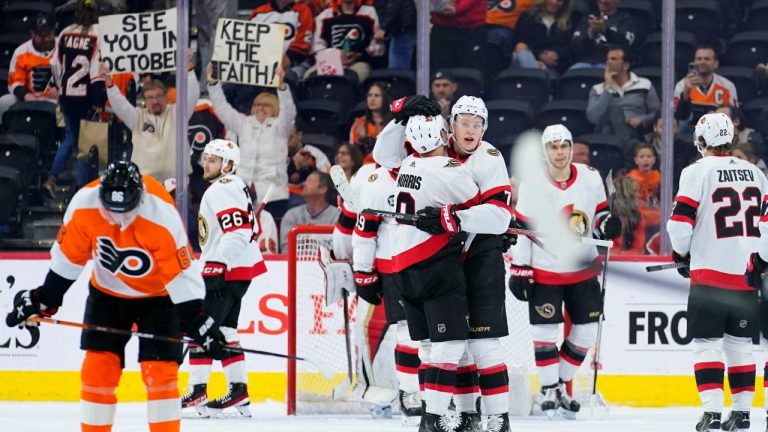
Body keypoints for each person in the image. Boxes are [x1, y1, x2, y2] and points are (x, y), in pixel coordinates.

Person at [5, 160, 226, 432]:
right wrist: (44, 298)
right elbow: (67, 261)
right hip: (107, 296)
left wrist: (197, 321)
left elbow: (180, 277)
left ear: (140, 198)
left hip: (159, 298)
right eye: (112, 209)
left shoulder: (161, 215)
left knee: (161, 373)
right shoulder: (84, 206)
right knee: (98, 370)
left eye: (127, 210)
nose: (119, 219)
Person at [373, 95, 514, 430]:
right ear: (451, 125)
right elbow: (383, 156)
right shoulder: (435, 148)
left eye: (477, 124)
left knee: (482, 343)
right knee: (453, 343)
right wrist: (399, 118)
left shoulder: (490, 158)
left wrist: (451, 218)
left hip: (481, 256)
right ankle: (467, 414)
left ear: (485, 127)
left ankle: (498, 419)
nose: (471, 129)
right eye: (464, 121)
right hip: (445, 258)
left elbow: (499, 216)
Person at [508, 124, 621, 418]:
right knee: (544, 332)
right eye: (553, 147)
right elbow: (523, 228)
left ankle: (556, 384)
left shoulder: (591, 177)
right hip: (544, 269)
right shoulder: (534, 183)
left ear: (572, 148)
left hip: (582, 269)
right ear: (545, 151)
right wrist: (520, 267)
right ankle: (548, 390)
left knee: (585, 333)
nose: (559, 152)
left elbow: (599, 217)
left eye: (564, 146)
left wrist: (607, 223)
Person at [670, 112, 767, 431]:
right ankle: (741, 413)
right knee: (740, 346)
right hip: (747, 276)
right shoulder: (757, 173)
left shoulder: (696, 171)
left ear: (700, 141)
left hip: (709, 275)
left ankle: (711, 411)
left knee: (707, 344)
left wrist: (681, 254)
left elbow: (679, 225)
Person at [387, 114, 480, 432]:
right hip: (435, 262)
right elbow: (478, 207)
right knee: (452, 343)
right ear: (440, 135)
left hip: (403, 264)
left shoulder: (408, 165)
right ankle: (434, 418)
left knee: (427, 344)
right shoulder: (449, 172)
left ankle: (434, 409)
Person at [181, 139, 267, 417]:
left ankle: (197, 391)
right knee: (226, 330)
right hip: (238, 268)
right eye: (206, 158)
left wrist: (217, 264)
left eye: (214, 160)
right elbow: (248, 228)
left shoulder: (223, 188)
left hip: (226, 270)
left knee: (201, 327)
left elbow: (238, 231)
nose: (206, 164)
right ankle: (239, 392)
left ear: (228, 165)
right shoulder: (233, 185)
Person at [351, 163, 423, 425]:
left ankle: (427, 393)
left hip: (429, 265)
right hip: (389, 270)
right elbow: (360, 228)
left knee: (431, 336)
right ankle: (401, 394)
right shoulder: (374, 179)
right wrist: (362, 269)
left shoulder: (436, 168)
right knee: (395, 332)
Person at [206, 62, 295, 223]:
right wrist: (213, 84)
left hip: (274, 195)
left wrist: (281, 87)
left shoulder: (280, 126)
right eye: (257, 104)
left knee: (269, 241)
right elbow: (222, 108)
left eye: (265, 104)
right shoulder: (244, 123)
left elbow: (289, 111)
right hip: (243, 194)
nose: (260, 107)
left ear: (275, 107)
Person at [103, 53, 198, 185]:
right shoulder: (137, 117)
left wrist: (189, 71)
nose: (155, 101)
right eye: (150, 97)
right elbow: (120, 105)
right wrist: (110, 84)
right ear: (144, 100)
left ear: (166, 96)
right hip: (145, 182)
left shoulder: (179, 113)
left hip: (177, 182)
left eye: (159, 96)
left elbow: (192, 94)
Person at [46, 0, 107, 193]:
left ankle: (52, 178)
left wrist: (58, 86)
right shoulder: (98, 35)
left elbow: (55, 64)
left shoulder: (65, 33)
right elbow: (96, 72)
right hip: (86, 98)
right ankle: (81, 187)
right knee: (85, 143)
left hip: (67, 97)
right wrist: (98, 101)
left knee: (71, 138)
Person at [586, 46, 659, 150]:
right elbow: (593, 118)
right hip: (607, 134)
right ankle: (627, 149)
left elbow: (656, 113)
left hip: (636, 132)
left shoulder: (644, 84)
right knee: (614, 111)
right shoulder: (598, 89)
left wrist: (642, 119)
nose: (608, 62)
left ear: (626, 65)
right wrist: (607, 88)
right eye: (607, 59)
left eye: (613, 59)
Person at [307, 0, 384, 83]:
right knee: (308, 76)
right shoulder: (325, 16)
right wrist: (334, 55)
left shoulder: (369, 12)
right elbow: (317, 45)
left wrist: (360, 55)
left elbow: (378, 45)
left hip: (359, 62)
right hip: (329, 61)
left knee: (353, 77)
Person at [0, 14, 57, 125]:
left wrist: (62, 91)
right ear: (33, 34)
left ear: (54, 31)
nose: (45, 39)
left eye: (48, 35)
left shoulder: (63, 47)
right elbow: (14, 82)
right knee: (4, 101)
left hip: (57, 98)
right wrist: (26, 95)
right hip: (29, 96)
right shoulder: (21, 52)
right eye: (41, 36)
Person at [674, 45, 738, 129]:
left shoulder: (727, 86)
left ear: (716, 64)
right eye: (699, 59)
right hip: (688, 134)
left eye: (707, 59)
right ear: (694, 62)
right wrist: (686, 92)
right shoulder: (682, 85)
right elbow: (678, 118)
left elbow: (734, 117)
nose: (702, 62)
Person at [249, 0, 315, 77]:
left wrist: (288, 58)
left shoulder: (303, 11)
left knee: (289, 78)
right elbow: (248, 42)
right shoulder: (258, 13)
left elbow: (302, 45)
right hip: (261, 63)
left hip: (293, 64)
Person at [512, 0, 575, 79]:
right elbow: (519, 42)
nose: (554, 2)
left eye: (559, 1)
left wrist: (556, 55)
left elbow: (571, 48)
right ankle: (537, 76)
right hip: (529, 60)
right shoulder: (528, 17)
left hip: (554, 66)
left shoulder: (569, 21)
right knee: (520, 47)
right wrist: (539, 56)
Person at [279, 170, 339, 252]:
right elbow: (286, 250)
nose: (304, 184)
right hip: (296, 264)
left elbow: (337, 250)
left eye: (309, 181)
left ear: (323, 189)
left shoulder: (337, 216)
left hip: (327, 264)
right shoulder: (292, 215)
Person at [569, 0, 638, 69]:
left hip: (610, 64)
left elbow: (627, 44)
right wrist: (591, 36)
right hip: (583, 63)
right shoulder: (587, 19)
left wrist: (606, 31)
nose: (603, 1)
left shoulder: (626, 19)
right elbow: (575, 46)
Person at [349, 82, 394, 162]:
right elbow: (352, 155)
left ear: (385, 98)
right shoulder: (359, 123)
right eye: (370, 95)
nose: (372, 99)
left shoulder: (395, 124)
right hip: (365, 169)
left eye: (377, 95)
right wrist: (360, 141)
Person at [625, 142, 660, 238]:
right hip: (637, 213)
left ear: (654, 159)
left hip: (656, 212)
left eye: (649, 156)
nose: (645, 159)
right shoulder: (630, 178)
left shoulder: (659, 177)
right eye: (642, 157)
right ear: (636, 160)